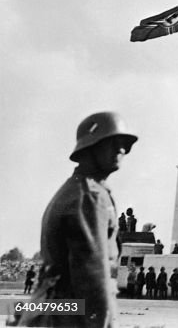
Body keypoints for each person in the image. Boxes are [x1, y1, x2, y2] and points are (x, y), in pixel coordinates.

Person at [16, 111, 137, 328]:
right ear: (90, 147)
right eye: (113, 143)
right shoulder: (89, 196)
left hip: (57, 308)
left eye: (125, 146)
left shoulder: (75, 190)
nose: (121, 150)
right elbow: (93, 276)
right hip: (72, 315)